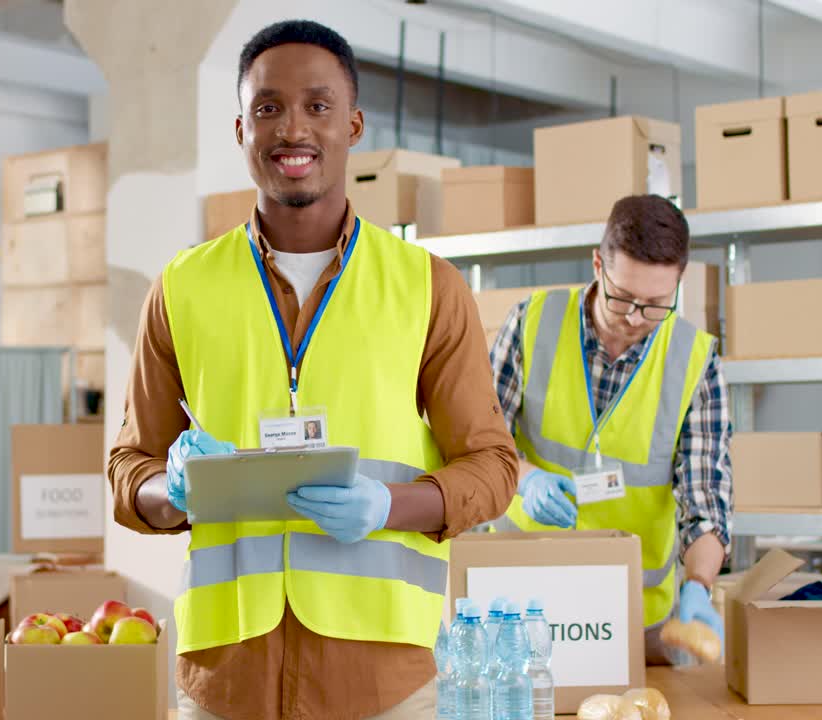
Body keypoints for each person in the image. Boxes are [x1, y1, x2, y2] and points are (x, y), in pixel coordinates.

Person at [108, 20, 518, 720]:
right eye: (268, 108)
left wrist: (388, 506)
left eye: (318, 106)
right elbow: (128, 468)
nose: (292, 129)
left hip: (387, 681)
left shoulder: (427, 286)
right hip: (226, 678)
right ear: (241, 130)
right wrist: (169, 490)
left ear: (353, 125)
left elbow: (492, 467)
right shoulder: (181, 287)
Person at [489, 195, 732, 663]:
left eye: (657, 303)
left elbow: (706, 500)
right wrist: (525, 480)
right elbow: (481, 437)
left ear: (680, 281)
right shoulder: (532, 322)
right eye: (623, 297)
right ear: (597, 264)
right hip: (521, 607)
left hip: (635, 622)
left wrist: (699, 585)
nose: (636, 318)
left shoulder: (695, 361)